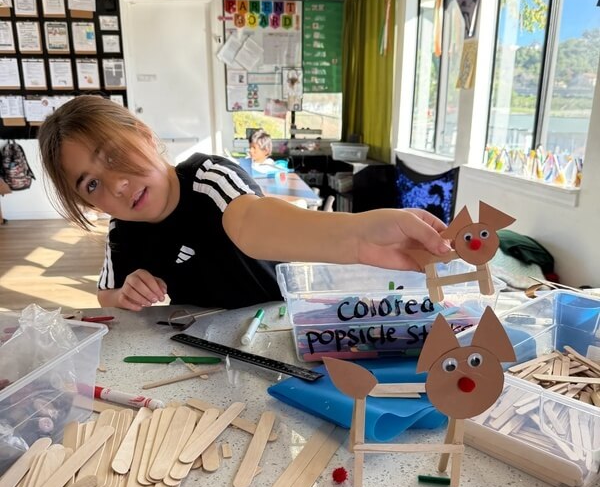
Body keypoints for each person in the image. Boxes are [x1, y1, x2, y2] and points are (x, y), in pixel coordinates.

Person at [38, 96, 451, 312]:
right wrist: (124, 294)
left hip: (277, 321)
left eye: (114, 154)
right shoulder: (122, 233)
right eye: (91, 185)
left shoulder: (207, 176)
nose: (118, 185)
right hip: (204, 343)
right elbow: (105, 295)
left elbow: (252, 221)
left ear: (144, 134)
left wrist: (358, 236)